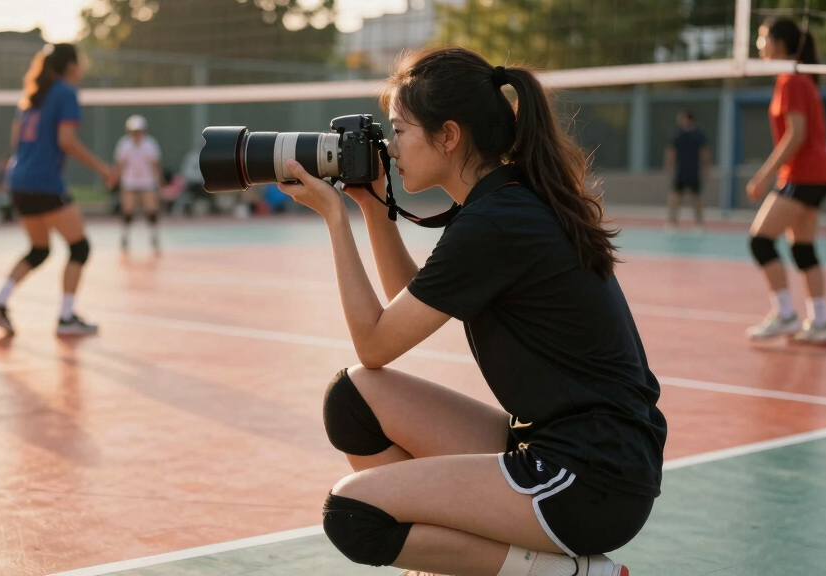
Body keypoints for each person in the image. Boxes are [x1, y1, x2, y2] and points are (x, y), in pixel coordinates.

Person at [280, 47, 664, 576]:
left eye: (400, 130)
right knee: (353, 400)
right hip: (567, 447)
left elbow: (374, 343)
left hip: (589, 478)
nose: (390, 147)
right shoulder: (502, 201)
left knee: (354, 514)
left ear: (449, 135)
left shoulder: (496, 221)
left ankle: (568, 574)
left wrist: (333, 218)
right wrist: (371, 207)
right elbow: (409, 303)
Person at [0, 43, 115, 336]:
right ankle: (66, 317)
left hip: (20, 181)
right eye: (80, 61)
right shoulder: (65, 93)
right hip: (44, 181)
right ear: (71, 66)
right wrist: (101, 167)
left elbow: (16, 141)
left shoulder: (31, 95)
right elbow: (66, 140)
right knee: (79, 247)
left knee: (39, 250)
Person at [745, 18, 826, 346]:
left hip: (803, 174)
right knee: (803, 249)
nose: (759, 45)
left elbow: (796, 135)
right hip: (817, 174)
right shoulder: (799, 78)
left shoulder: (791, 79)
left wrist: (764, 175)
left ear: (779, 43)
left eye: (763, 38)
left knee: (760, 241)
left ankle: (785, 314)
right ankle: (820, 322)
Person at [113, 114, 164, 250]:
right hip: (130, 182)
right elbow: (120, 165)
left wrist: (159, 184)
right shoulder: (124, 145)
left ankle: (154, 236)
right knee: (128, 210)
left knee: (151, 210)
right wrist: (116, 181)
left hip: (147, 182)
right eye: (134, 131)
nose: (137, 134)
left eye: (139, 131)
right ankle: (125, 237)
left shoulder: (150, 144)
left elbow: (155, 165)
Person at [664, 110, 710, 229]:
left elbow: (704, 152)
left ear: (689, 119)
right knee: (676, 196)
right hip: (680, 171)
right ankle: (672, 221)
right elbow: (670, 151)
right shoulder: (676, 134)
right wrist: (669, 167)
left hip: (694, 171)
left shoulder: (699, 135)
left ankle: (699, 222)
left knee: (697, 197)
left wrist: (706, 168)